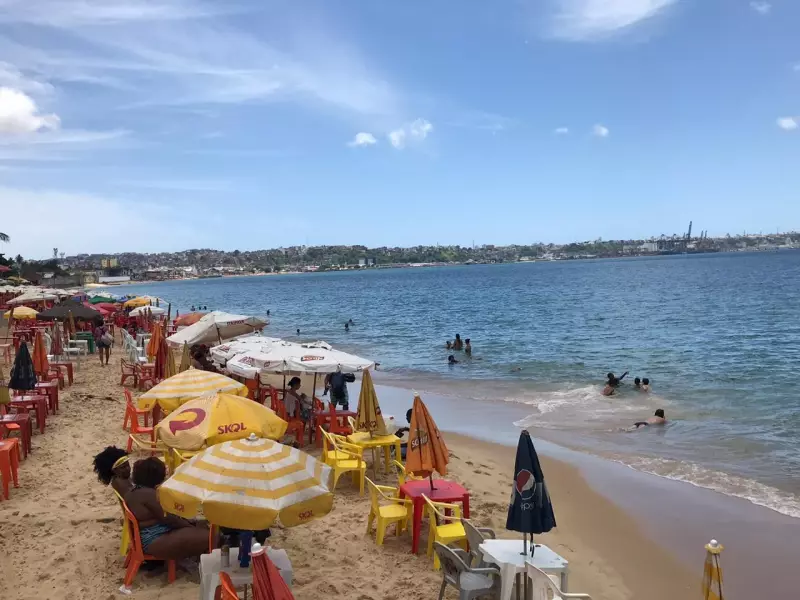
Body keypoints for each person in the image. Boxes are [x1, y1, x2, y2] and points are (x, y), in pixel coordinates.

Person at [125, 457, 209, 560]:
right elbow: (169, 519)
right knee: (211, 537)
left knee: (199, 527)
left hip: (145, 537)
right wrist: (189, 526)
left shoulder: (133, 491)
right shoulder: (149, 494)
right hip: (154, 539)